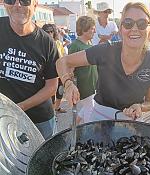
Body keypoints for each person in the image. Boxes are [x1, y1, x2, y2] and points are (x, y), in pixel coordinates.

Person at [56, 2, 150, 123]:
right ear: (121, 29)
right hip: (100, 118)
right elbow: (62, 62)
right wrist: (68, 84)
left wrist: (140, 106)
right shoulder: (106, 50)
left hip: (133, 121)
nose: (134, 28)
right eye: (128, 23)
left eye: (142, 24)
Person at [0, 0, 59, 140]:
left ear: (35, 5)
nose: (17, 5)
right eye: (10, 0)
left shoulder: (46, 42)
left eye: (25, 1)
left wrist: (18, 108)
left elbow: (52, 87)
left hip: (40, 120)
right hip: (2, 117)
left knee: (44, 160)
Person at [68, 16, 98, 124]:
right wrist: (71, 86)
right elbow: (70, 68)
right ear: (84, 29)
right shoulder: (75, 46)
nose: (94, 31)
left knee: (89, 105)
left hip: (92, 83)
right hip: (85, 85)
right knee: (91, 108)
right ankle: (88, 130)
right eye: (92, 28)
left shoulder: (89, 43)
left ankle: (74, 124)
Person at [42, 23, 67, 113]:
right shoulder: (41, 44)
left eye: (51, 31)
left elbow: (63, 56)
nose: (49, 33)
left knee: (60, 91)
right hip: (49, 74)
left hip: (60, 71)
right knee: (51, 94)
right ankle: (52, 113)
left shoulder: (58, 43)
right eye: (46, 31)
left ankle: (57, 107)